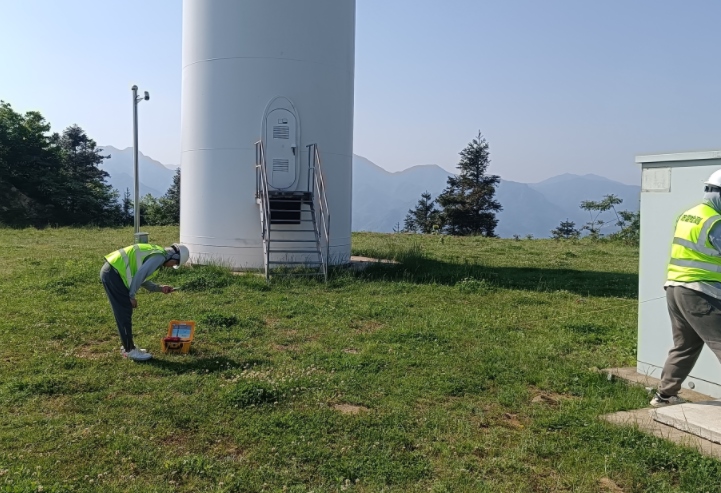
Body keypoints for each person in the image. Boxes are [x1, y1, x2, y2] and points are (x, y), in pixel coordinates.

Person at [652, 169, 721, 406]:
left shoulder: (691, 214)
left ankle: (664, 396)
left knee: (685, 345)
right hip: (700, 291)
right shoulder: (716, 222)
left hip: (676, 288)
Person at [100, 242, 190, 361]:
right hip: (114, 275)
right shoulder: (160, 257)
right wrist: (131, 296)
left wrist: (160, 288)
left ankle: (128, 346)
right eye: (175, 263)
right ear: (174, 257)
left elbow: (142, 277)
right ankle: (129, 350)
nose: (171, 266)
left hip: (112, 271)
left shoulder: (157, 253)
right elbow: (140, 275)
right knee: (124, 312)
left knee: (123, 312)